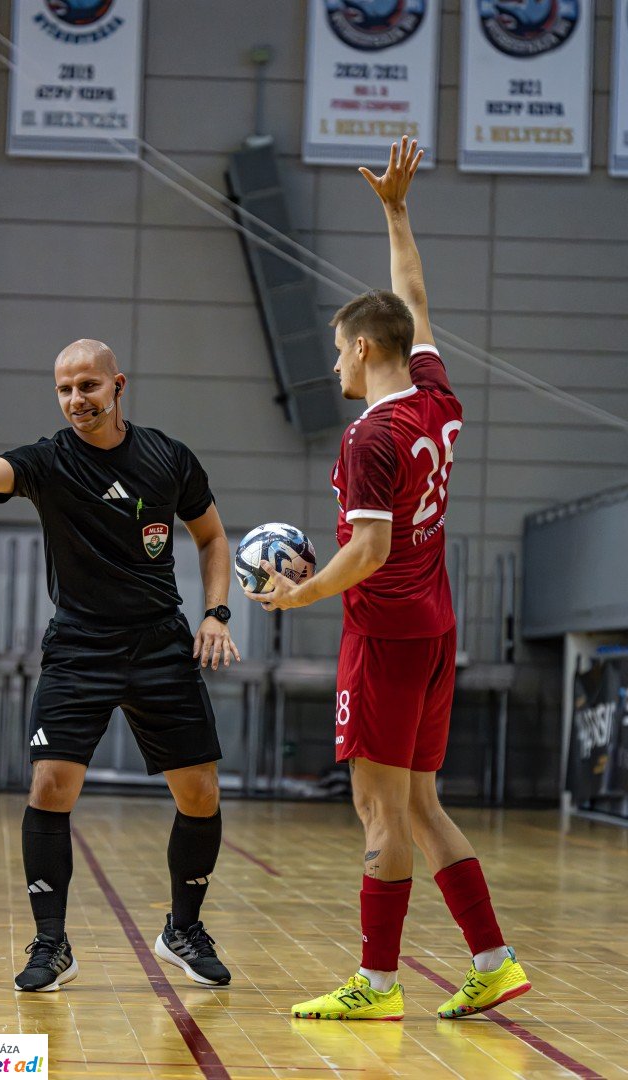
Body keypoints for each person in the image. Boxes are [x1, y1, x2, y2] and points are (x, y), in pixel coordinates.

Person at [246, 138, 531, 1021]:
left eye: (339, 349)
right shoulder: (436, 397)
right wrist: (396, 213)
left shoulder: (368, 438)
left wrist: (297, 594)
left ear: (364, 348)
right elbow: (414, 301)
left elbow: (366, 554)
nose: (333, 363)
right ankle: (494, 959)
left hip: (387, 632)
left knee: (378, 811)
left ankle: (376, 984)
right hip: (437, 626)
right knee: (415, 801)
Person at [0, 338, 240, 993]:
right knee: (50, 787)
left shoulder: (167, 458)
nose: (75, 400)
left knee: (199, 794)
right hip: (79, 648)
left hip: (160, 645)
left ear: (117, 385)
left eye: (87, 386)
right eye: (64, 389)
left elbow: (210, 537)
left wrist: (217, 612)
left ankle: (183, 930)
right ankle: (52, 943)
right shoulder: (48, 461)